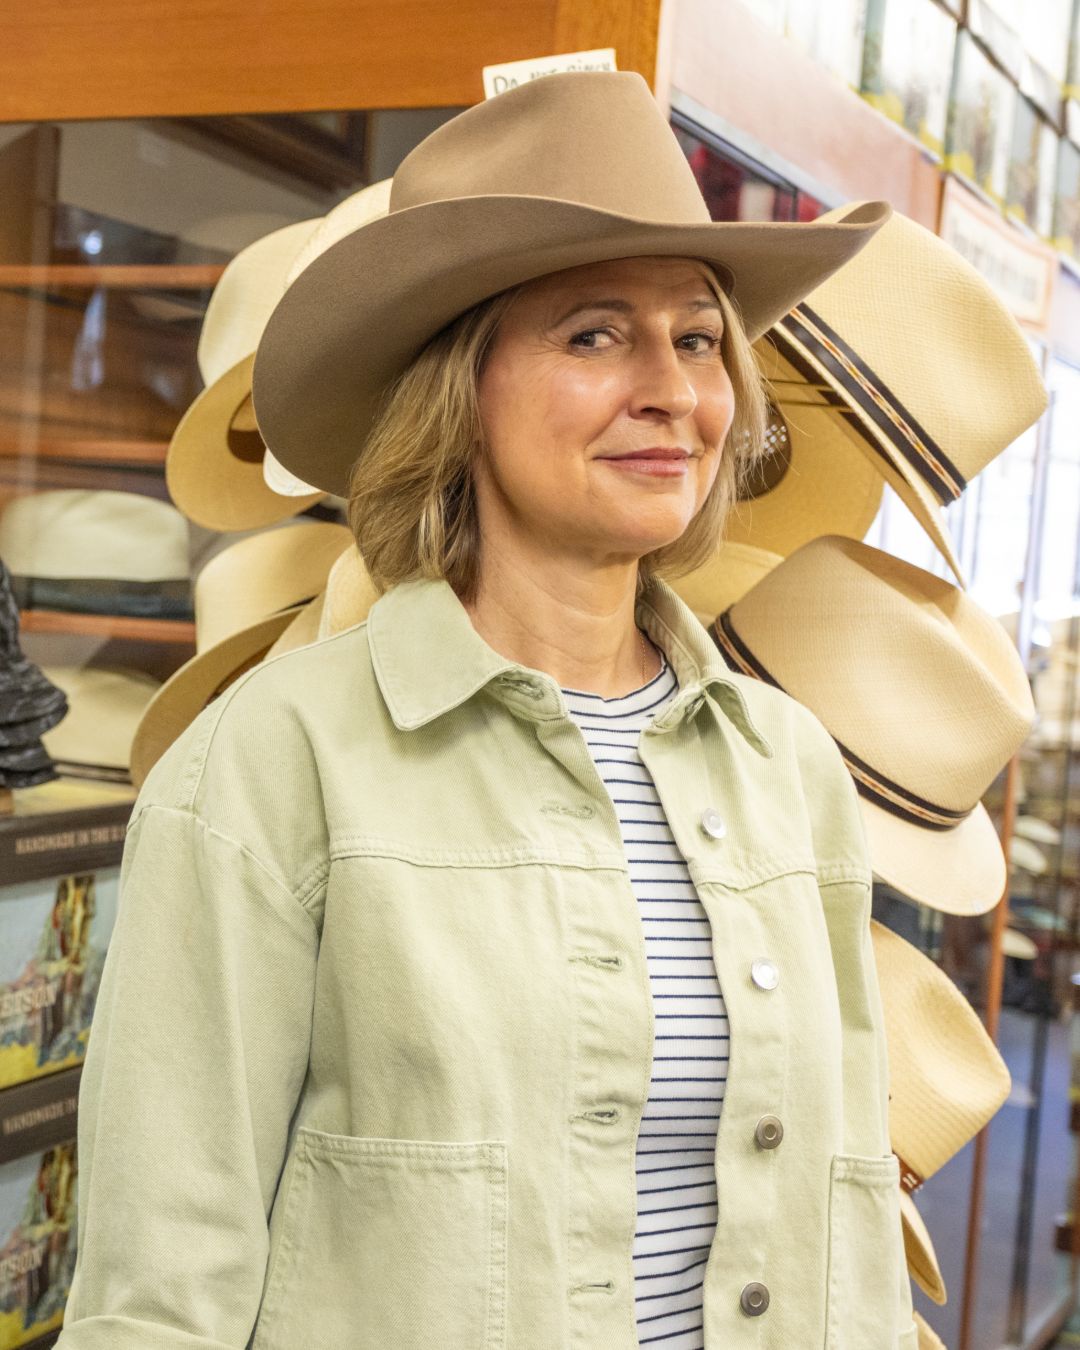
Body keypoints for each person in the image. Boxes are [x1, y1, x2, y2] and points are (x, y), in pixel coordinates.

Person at [58, 73, 914, 1349]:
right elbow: (162, 1289)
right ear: (457, 389)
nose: (672, 391)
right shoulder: (278, 759)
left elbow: (845, 1223)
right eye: (594, 336)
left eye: (697, 339)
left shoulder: (785, 766)